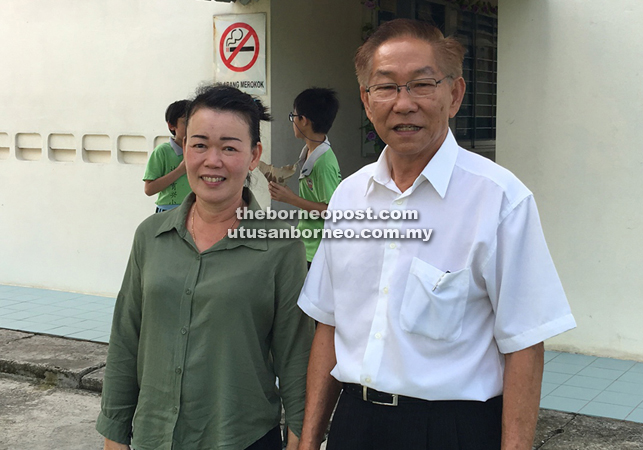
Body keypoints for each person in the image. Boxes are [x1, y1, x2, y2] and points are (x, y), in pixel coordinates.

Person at [296, 19, 577, 450]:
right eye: (386, 87)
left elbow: (524, 346)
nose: (403, 104)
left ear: (455, 94)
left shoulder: (499, 199)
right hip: (355, 423)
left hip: (452, 429)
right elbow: (328, 327)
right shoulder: (348, 197)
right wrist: (309, 439)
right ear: (366, 101)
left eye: (422, 85)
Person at [97, 85, 314, 450]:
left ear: (253, 156)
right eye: (199, 144)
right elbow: (125, 341)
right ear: (184, 149)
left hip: (242, 438)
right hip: (156, 437)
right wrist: (114, 434)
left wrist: (300, 438)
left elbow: (296, 354)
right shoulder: (151, 236)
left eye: (229, 147)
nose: (212, 160)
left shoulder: (280, 245)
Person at [268, 88, 342, 266]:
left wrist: (291, 199)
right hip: (307, 246)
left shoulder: (323, 163)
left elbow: (332, 212)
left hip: (318, 251)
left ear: (303, 120)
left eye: (293, 116)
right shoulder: (311, 151)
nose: (292, 121)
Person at [144, 99, 193, 213]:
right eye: (185, 122)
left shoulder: (200, 150)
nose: (191, 127)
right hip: (168, 211)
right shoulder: (162, 151)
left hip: (194, 210)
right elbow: (149, 189)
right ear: (171, 125)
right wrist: (180, 170)